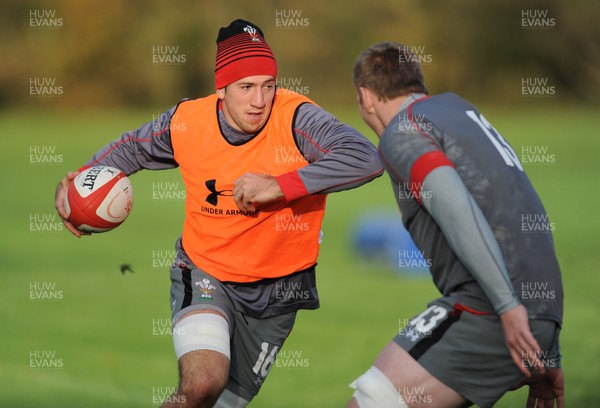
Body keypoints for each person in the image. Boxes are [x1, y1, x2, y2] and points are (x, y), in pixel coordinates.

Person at [54, 19, 384, 407]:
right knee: (201, 386)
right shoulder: (187, 121)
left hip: (279, 291)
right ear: (222, 89)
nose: (259, 100)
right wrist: (80, 187)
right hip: (205, 271)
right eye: (246, 87)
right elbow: (133, 148)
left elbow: (366, 158)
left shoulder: (298, 118)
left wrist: (278, 185)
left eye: (268, 85)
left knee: (221, 404)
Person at [347, 42, 564, 408]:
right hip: (536, 310)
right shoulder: (461, 111)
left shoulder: (403, 132)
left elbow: (455, 207)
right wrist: (547, 341)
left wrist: (509, 308)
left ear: (366, 96)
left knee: (372, 400)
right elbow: (521, 207)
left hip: (490, 307)